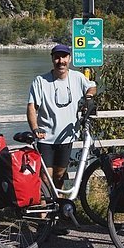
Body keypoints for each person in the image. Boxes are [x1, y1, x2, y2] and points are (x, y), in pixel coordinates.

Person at [26, 44, 96, 232]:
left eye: (64, 57)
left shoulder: (78, 78)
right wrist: (34, 128)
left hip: (67, 137)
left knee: (59, 176)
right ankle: (43, 219)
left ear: (70, 59)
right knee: (45, 179)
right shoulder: (41, 81)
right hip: (46, 137)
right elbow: (32, 106)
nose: (61, 61)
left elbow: (92, 86)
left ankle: (56, 215)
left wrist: (88, 97)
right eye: (57, 57)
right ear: (52, 59)